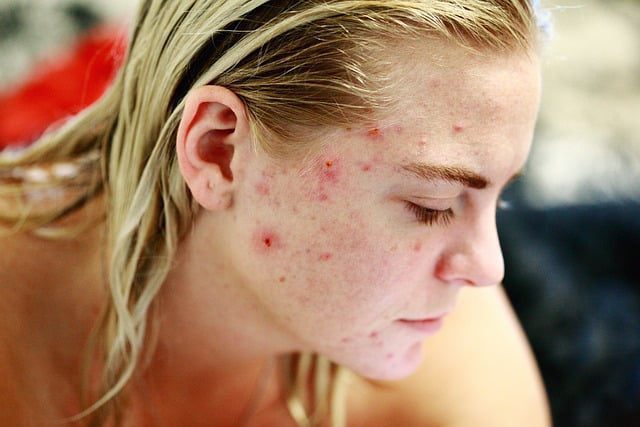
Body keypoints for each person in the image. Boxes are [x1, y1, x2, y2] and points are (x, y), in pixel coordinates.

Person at [0, 1, 553, 425]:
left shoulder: (451, 362)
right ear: (218, 151)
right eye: (430, 206)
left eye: (499, 195)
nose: (489, 268)